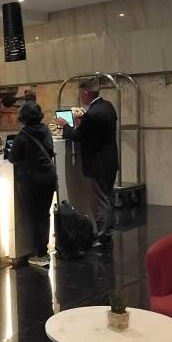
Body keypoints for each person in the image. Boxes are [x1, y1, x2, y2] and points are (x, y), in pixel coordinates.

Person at [56, 77, 119, 248]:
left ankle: (103, 235)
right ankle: (107, 231)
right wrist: (84, 121)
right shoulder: (108, 107)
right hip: (110, 163)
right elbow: (96, 131)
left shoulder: (92, 114)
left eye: (80, 93)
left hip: (96, 165)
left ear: (85, 93)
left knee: (99, 201)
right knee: (106, 198)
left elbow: (78, 136)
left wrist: (65, 125)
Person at [9, 102, 57, 268]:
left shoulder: (22, 136)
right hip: (48, 177)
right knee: (44, 215)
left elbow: (13, 158)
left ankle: (40, 253)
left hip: (31, 181)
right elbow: (50, 149)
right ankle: (43, 250)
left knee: (36, 217)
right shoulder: (46, 130)